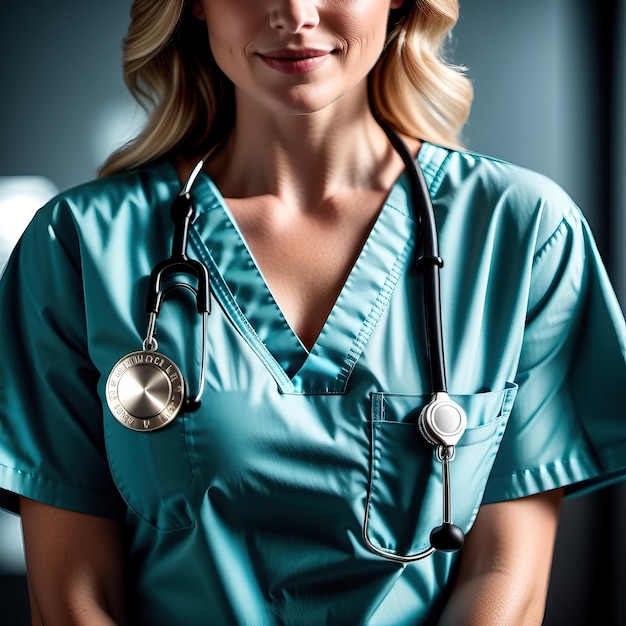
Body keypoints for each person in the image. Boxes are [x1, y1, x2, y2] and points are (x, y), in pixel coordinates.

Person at [0, 0, 625, 623]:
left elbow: (505, 579)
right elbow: (73, 600)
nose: (294, 12)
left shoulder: (523, 233)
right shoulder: (77, 245)